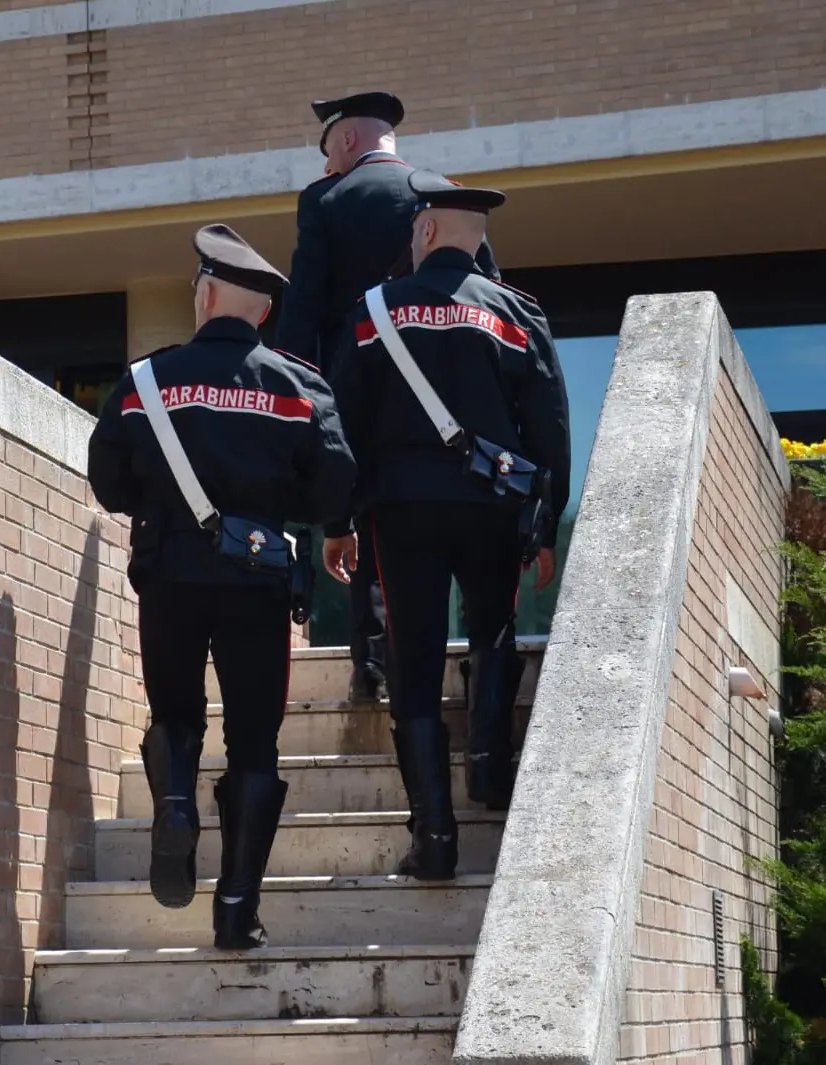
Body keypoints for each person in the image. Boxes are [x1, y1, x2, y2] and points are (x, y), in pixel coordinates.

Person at [88, 225, 356, 948]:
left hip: (170, 572)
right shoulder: (300, 385)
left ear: (204, 296)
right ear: (263, 313)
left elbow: (108, 484)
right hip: (258, 580)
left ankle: (174, 803)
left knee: (175, 710)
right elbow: (333, 484)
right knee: (254, 743)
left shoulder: (146, 380)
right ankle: (237, 909)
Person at [321, 170, 571, 880]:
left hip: (401, 511)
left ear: (424, 232)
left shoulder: (375, 310)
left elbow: (344, 425)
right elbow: (547, 426)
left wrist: (337, 520)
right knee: (492, 629)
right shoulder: (517, 312)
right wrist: (544, 523)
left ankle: (433, 838)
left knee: (414, 660)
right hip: (492, 506)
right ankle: (489, 775)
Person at [275, 91, 501, 705]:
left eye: (329, 151)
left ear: (346, 141)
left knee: (373, 526)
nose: (326, 166)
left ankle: (373, 664)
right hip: (455, 407)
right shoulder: (449, 195)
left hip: (365, 395)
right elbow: (490, 292)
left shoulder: (327, 200)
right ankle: (479, 679)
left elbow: (303, 313)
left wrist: (296, 393)